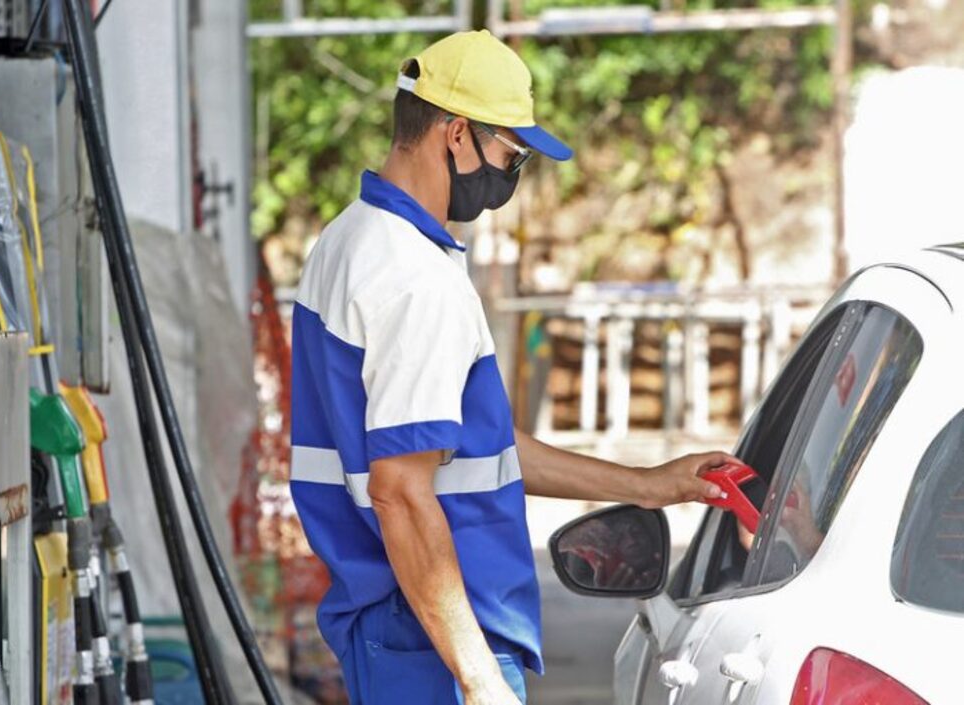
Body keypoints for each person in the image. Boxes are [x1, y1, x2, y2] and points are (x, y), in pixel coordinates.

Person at [289, 30, 735, 705]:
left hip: (400, 625)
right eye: (511, 152)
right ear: (457, 134)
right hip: (434, 638)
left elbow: (472, 450)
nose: (513, 174)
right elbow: (402, 492)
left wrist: (645, 485)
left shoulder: (350, 240)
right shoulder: (414, 278)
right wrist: (478, 677)